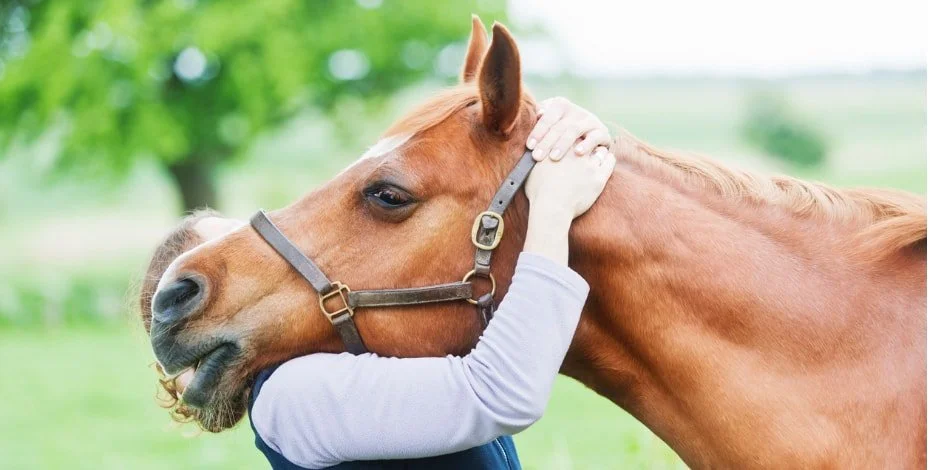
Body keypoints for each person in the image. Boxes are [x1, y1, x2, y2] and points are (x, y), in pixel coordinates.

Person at [144, 98, 615, 469]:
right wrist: (553, 207)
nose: (262, 250)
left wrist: (558, 128)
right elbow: (496, 393)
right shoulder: (290, 399)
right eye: (228, 251)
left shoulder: (363, 357)